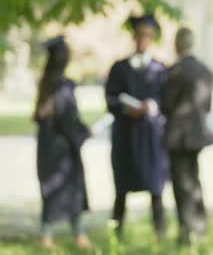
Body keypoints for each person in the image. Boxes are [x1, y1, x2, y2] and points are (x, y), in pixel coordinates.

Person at [105, 15, 169, 239]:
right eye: (140, 35)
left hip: (151, 136)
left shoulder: (160, 70)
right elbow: (110, 98)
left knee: (155, 186)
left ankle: (160, 232)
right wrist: (126, 109)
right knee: (122, 186)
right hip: (126, 135)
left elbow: (167, 100)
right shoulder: (119, 68)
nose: (143, 40)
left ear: (151, 39)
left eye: (148, 36)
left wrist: (151, 106)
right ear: (134, 37)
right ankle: (116, 231)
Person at [33, 36, 92, 250]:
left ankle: (48, 236)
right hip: (63, 148)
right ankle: (78, 235)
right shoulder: (63, 87)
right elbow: (69, 119)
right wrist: (85, 132)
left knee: (51, 189)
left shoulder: (45, 83)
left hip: (46, 147)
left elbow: (39, 115)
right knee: (71, 188)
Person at [161, 27, 213, 245]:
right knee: (194, 180)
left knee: (181, 183)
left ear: (177, 44)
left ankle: (186, 232)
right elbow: (208, 105)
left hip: (178, 134)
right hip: (198, 133)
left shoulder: (175, 72)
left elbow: (166, 105)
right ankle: (200, 226)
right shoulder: (204, 70)